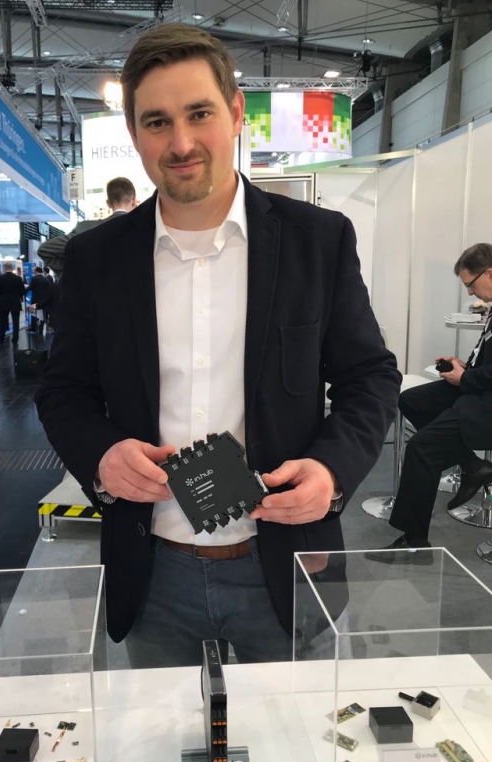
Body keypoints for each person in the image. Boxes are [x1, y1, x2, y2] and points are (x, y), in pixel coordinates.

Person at [35, 23, 400, 667]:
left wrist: (331, 471)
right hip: (153, 569)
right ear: (134, 135)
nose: (180, 143)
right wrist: (101, 456)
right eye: (157, 122)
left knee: (295, 730)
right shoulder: (97, 259)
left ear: (234, 113)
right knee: (160, 732)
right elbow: (64, 389)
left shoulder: (318, 241)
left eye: (199, 113)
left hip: (286, 559)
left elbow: (369, 376)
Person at [366, 242, 492, 565]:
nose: (471, 293)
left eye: (471, 284)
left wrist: (465, 379)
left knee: (423, 448)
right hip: (478, 389)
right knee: (411, 400)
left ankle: (415, 543)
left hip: (485, 403)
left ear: (489, 273)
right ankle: (472, 465)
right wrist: (463, 366)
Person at [37, 177, 137, 277]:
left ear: (108, 203)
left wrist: (77, 273)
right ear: (133, 200)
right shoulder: (143, 229)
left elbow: (45, 250)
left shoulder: (85, 229)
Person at [0, 262, 25, 349]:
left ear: (4, 268)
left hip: (3, 303)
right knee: (16, 323)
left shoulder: (0, 278)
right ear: (12, 268)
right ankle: (15, 341)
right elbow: (22, 291)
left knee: (1, 323)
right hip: (15, 302)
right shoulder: (18, 278)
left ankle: (0, 341)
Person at [27, 266, 52, 334]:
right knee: (43, 315)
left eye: (33, 270)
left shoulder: (34, 278)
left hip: (35, 300)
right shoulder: (46, 279)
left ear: (36, 271)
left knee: (34, 314)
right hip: (43, 300)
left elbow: (30, 287)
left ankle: (34, 328)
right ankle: (41, 328)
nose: (33, 271)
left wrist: (24, 290)